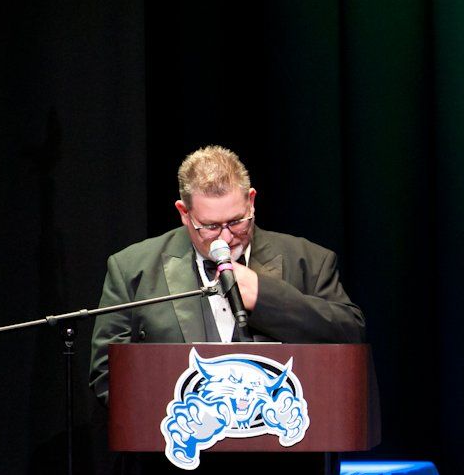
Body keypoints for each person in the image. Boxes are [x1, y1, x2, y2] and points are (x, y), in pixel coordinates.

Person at [88, 145, 366, 400]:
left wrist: (265, 297)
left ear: (251, 200)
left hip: (280, 437)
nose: (226, 238)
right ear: (184, 213)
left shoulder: (309, 260)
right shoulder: (132, 268)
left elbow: (350, 333)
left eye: (236, 221)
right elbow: (108, 375)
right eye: (210, 226)